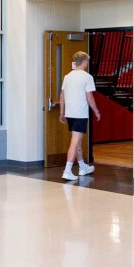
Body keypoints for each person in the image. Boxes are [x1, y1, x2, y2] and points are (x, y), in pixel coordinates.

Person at [58, 50, 102, 181]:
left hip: (70, 113)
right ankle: (67, 171)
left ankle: (83, 166)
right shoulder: (87, 77)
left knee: (78, 142)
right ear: (84, 62)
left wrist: (62, 112)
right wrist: (96, 111)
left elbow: (62, 95)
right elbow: (89, 97)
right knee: (75, 141)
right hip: (80, 114)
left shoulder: (67, 76)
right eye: (87, 61)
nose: (87, 63)